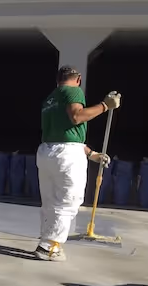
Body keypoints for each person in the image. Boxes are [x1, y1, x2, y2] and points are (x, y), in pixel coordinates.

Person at [35, 65, 120, 262]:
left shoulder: (50, 98)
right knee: (67, 201)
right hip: (66, 155)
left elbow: (64, 135)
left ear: (57, 79)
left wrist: (91, 154)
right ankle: (50, 247)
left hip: (47, 151)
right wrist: (105, 106)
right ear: (78, 79)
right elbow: (76, 117)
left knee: (50, 202)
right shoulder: (73, 91)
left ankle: (46, 241)